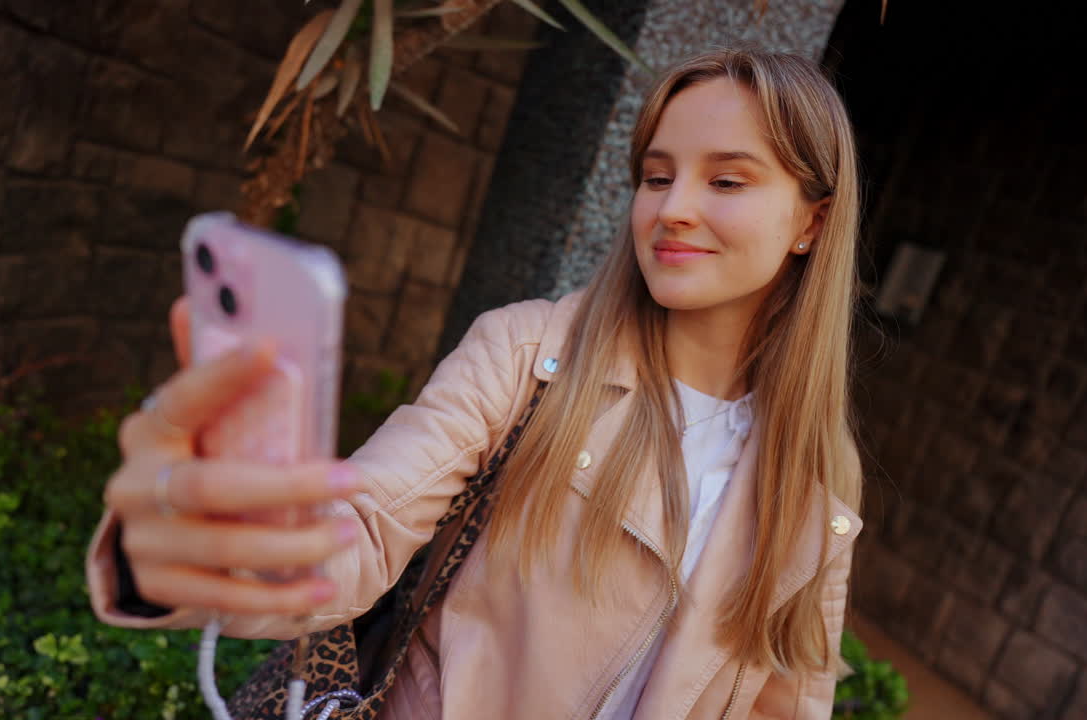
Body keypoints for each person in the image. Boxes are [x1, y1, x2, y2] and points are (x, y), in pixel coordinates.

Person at [88, 48, 865, 719]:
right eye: (657, 177)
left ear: (812, 223)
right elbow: (361, 522)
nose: (673, 210)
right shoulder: (529, 352)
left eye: (727, 182)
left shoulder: (820, 469)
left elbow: (789, 697)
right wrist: (199, 545)